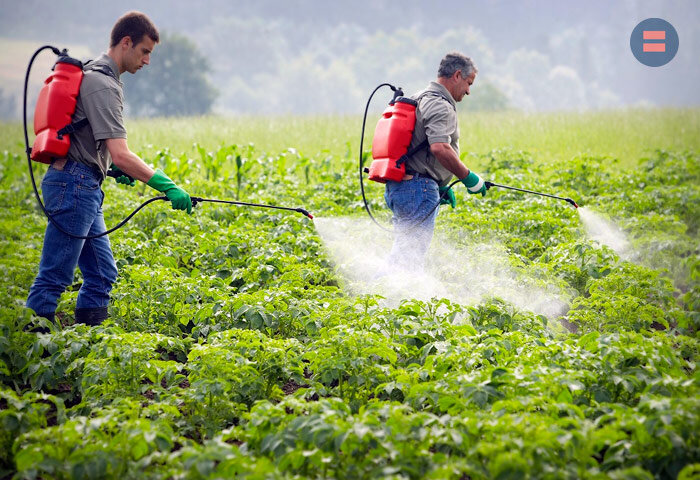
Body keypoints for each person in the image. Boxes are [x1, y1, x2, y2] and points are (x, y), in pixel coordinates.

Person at [26, 11, 192, 327]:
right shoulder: (103, 84)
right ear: (126, 42)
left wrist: (111, 169)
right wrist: (168, 185)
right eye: (145, 51)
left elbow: (94, 143)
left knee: (103, 274)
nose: (147, 61)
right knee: (55, 277)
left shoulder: (94, 75)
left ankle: (89, 347)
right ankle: (31, 353)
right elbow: (122, 153)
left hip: (81, 182)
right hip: (74, 185)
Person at [384, 51, 486, 272]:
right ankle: (381, 297)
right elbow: (439, 148)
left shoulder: (421, 97)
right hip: (417, 188)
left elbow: (418, 148)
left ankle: (384, 298)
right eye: (469, 83)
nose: (469, 91)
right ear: (457, 75)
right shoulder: (440, 105)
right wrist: (468, 177)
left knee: (404, 253)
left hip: (405, 185)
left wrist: (439, 185)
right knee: (407, 260)